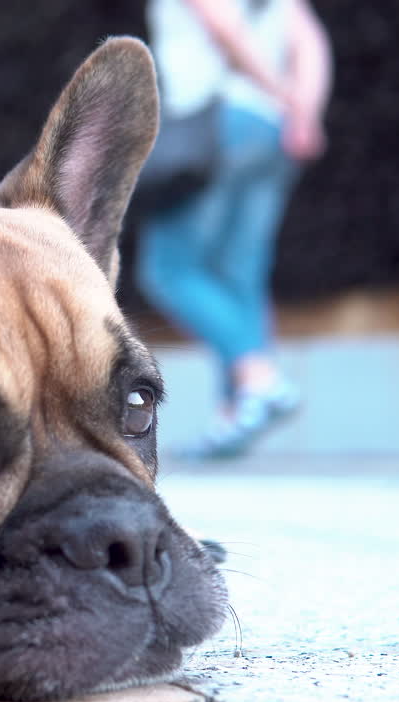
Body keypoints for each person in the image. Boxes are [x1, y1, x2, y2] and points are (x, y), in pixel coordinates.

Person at [136, 0, 332, 458]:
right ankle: (236, 417)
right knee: (239, 274)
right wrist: (303, 110)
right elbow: (311, 45)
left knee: (171, 270)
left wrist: (280, 92)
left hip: (217, 123)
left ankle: (259, 380)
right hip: (273, 131)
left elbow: (223, 27)